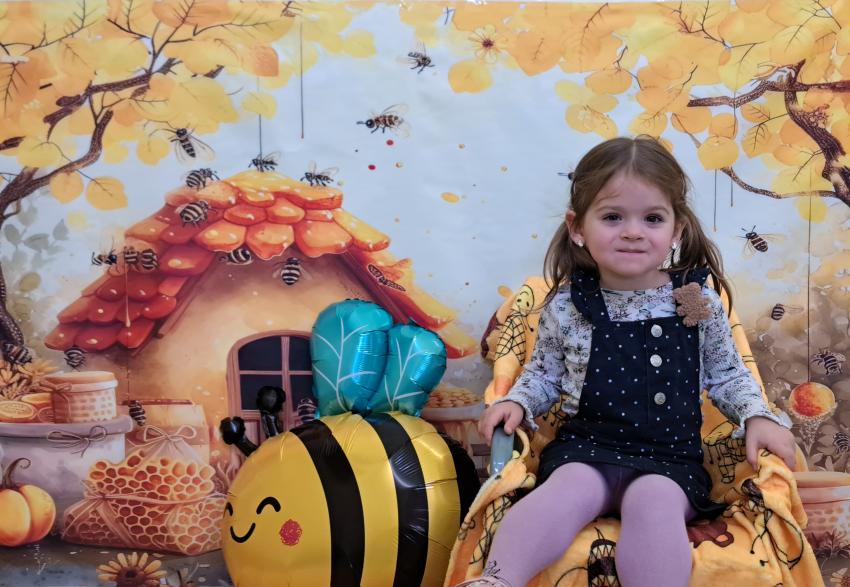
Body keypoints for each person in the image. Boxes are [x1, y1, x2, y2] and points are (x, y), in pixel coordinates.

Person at [458, 136, 796, 587]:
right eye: (613, 217)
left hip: (669, 460)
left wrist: (756, 415)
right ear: (577, 227)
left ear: (676, 230)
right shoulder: (567, 305)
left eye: (652, 218)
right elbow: (543, 375)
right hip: (588, 449)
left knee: (653, 504)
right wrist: (517, 402)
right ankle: (497, 580)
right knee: (563, 492)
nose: (633, 231)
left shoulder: (694, 299)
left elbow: (727, 374)